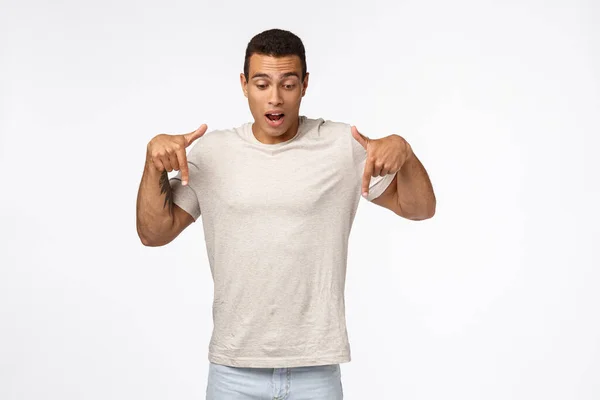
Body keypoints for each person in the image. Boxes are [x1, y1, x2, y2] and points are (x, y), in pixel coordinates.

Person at [136, 28, 436, 400]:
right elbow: (154, 233)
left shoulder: (343, 147)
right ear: (244, 85)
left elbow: (420, 208)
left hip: (315, 368)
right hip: (234, 371)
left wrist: (404, 152)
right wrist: (152, 165)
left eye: (288, 84)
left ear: (305, 85)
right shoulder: (212, 153)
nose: (274, 99)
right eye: (262, 84)